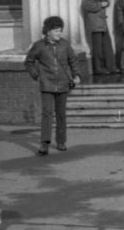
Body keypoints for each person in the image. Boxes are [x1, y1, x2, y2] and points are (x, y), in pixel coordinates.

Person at [24, 16, 81, 156]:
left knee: (61, 114)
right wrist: (36, 75)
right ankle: (44, 143)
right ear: (48, 31)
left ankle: (61, 141)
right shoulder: (39, 46)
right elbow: (29, 62)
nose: (59, 34)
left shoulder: (65, 45)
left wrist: (77, 75)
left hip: (63, 84)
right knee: (47, 113)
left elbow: (73, 60)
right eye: (56, 31)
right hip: (47, 84)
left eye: (60, 31)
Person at [80, 0, 118, 80]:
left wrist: (105, 3)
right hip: (95, 23)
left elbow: (103, 1)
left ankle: (110, 67)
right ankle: (99, 69)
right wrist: (100, 5)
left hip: (101, 22)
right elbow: (86, 4)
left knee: (106, 46)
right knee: (98, 48)